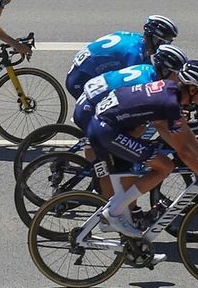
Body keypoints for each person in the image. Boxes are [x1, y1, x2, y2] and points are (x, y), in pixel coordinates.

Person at [86, 61, 198, 237]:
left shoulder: (171, 91)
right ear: (193, 89)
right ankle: (114, 213)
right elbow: (184, 152)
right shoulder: (170, 104)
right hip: (107, 130)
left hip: (106, 125)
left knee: (137, 169)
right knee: (165, 166)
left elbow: (180, 132)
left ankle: (120, 222)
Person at [69, 44, 188, 198]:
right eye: (178, 76)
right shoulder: (148, 84)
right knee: (117, 160)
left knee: (127, 147)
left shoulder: (150, 73)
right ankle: (106, 202)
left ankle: (109, 192)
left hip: (93, 101)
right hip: (90, 110)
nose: (180, 81)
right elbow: (152, 123)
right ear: (165, 70)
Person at [64, 15, 180, 98]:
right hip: (81, 79)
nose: (165, 46)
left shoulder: (137, 41)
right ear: (154, 38)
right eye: (164, 42)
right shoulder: (133, 54)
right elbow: (140, 87)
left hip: (82, 70)